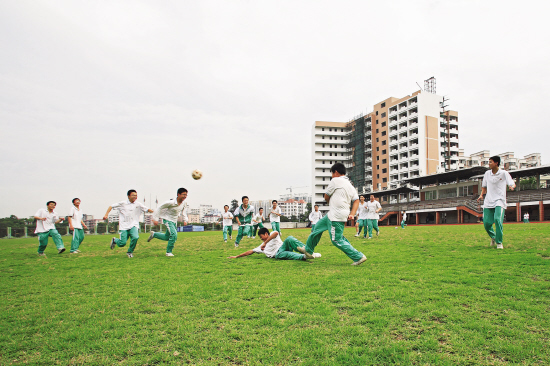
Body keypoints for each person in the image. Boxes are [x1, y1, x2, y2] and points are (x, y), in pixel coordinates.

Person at [304, 163, 367, 265]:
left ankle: (358, 256)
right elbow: (356, 200)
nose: (332, 176)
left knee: (336, 239)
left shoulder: (335, 180)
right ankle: (308, 250)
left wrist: (330, 201)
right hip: (333, 214)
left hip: (336, 215)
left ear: (336, 172)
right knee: (317, 228)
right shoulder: (350, 185)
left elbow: (326, 196)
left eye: (332, 173)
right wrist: (352, 213)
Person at [477, 155, 515, 249]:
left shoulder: (503, 173)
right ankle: (493, 237)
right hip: (488, 201)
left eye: (490, 162)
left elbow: (512, 183)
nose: (489, 164)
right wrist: (481, 195)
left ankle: (499, 243)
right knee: (486, 223)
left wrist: (511, 187)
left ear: (496, 163)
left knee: (497, 220)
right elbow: (484, 186)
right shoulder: (487, 174)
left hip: (500, 201)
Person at [104, 190, 153, 258]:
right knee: (122, 243)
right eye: (133, 195)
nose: (135, 197)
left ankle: (130, 252)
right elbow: (111, 206)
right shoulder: (122, 204)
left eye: (136, 195)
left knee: (136, 237)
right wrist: (106, 214)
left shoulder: (138, 204)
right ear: (128, 196)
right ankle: (114, 240)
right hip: (124, 226)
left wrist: (155, 212)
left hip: (134, 225)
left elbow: (147, 209)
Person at [228, 227, 321, 261]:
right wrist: (237, 256)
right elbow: (250, 251)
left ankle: (308, 251)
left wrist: (265, 242)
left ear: (266, 234)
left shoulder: (273, 234)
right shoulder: (261, 246)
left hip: (284, 247)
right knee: (286, 255)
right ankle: (305, 256)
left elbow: (276, 233)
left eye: (261, 237)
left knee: (289, 238)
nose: (261, 239)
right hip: (278, 254)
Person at [147, 188, 189, 256]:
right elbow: (159, 208)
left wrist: (185, 219)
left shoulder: (184, 203)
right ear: (178, 194)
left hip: (174, 221)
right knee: (174, 235)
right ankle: (168, 252)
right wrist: (156, 219)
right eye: (183, 194)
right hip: (167, 219)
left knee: (167, 237)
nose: (185, 196)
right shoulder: (171, 202)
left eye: (186, 195)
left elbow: (184, 211)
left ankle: (154, 234)